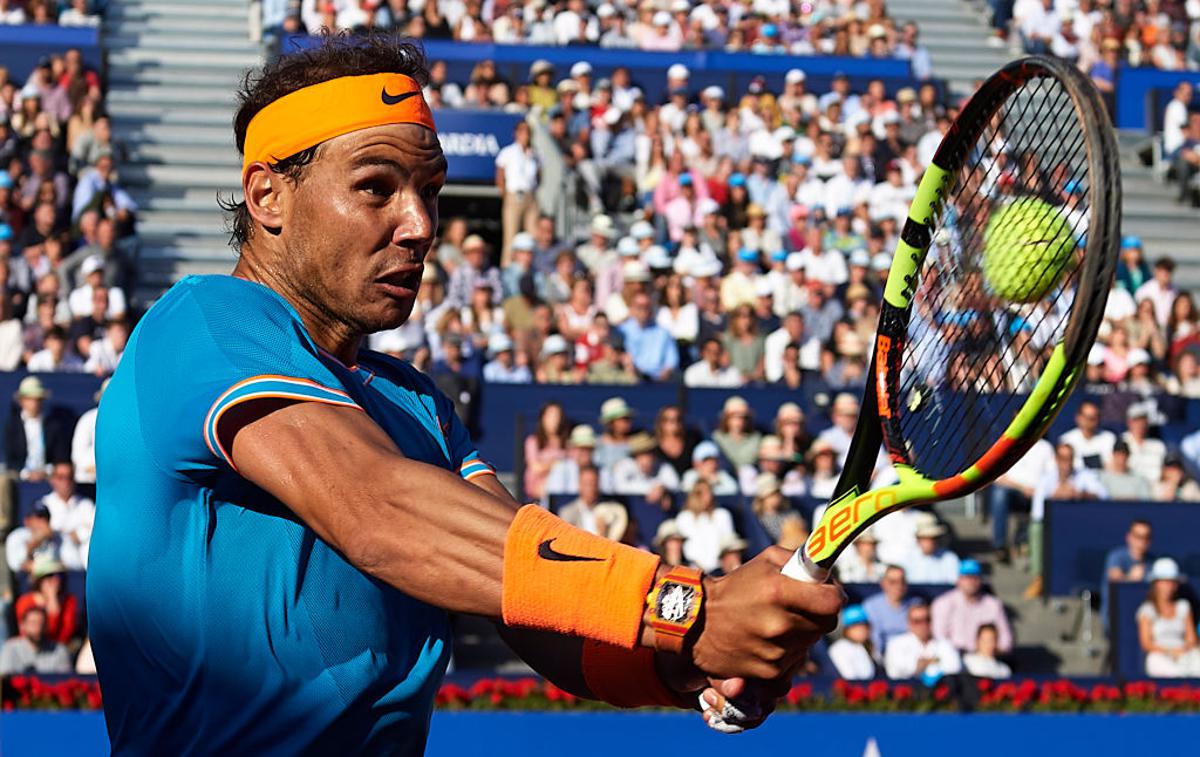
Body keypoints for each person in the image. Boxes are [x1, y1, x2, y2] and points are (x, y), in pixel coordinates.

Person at [88, 39, 842, 749]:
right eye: (376, 188)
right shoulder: (203, 324)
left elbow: (542, 616)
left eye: (429, 190)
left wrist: (685, 661)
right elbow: (380, 510)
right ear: (268, 196)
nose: (419, 225)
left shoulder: (416, 404)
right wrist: (688, 608)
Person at [986, 438, 1055, 561]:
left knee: (1044, 497)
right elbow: (998, 477)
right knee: (999, 493)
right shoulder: (1005, 444)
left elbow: (1052, 475)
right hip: (1013, 491)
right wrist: (1023, 488)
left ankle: (1027, 544)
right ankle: (1000, 546)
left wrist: (1038, 490)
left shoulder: (1045, 447)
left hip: (1037, 493)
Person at [930, 560, 1013, 655]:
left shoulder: (993, 604)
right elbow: (939, 636)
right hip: (955, 657)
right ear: (958, 580)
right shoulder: (943, 603)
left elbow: (1006, 639)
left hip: (985, 656)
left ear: (980, 580)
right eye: (967, 577)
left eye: (975, 577)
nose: (971, 581)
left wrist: (991, 649)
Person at [1137, 557, 1200, 677]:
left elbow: (1191, 638)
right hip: (1159, 657)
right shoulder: (1147, 610)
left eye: (1172, 582)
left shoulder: (1183, 607)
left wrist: (1183, 650)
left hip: (1184, 655)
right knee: (1155, 660)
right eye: (1164, 581)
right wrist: (1170, 651)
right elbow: (1146, 643)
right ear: (1156, 584)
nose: (1169, 586)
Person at [4, 376, 73, 482]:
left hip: (49, 477)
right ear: (22, 401)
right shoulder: (12, 426)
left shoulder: (53, 426)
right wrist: (25, 473)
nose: (35, 403)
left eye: (38, 399)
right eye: (30, 398)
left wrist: (46, 472)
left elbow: (60, 457)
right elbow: (9, 459)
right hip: (18, 477)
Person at [884, 602, 962, 681]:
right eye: (917, 621)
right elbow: (893, 672)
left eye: (927, 619)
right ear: (909, 624)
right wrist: (932, 661)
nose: (923, 624)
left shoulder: (945, 644)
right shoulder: (896, 643)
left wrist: (921, 664)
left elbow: (954, 668)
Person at [674, 479, 737, 573]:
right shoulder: (684, 518)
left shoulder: (722, 515)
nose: (708, 496)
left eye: (709, 491)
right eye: (701, 493)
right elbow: (687, 548)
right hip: (694, 569)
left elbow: (729, 542)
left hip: (720, 568)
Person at [40, 462, 95, 570]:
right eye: (61, 477)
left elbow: (95, 530)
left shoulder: (86, 504)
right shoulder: (43, 504)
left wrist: (78, 534)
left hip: (81, 559)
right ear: (52, 480)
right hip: (54, 560)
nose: (66, 482)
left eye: (69, 477)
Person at [15, 555, 79, 646]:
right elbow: (28, 636)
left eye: (59, 575)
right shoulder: (25, 602)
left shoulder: (69, 601)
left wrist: (54, 603)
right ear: (39, 581)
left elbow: (65, 636)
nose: (56, 580)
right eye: (49, 576)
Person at [1103, 519, 1156, 626]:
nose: (1142, 541)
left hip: (1146, 622)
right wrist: (1130, 579)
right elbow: (1114, 577)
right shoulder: (1116, 557)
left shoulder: (1153, 562)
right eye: (1138, 536)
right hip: (1117, 619)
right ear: (1129, 537)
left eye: (1146, 537)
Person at [557, 465, 628, 541]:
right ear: (579, 485)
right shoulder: (567, 513)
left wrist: (604, 533)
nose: (590, 488)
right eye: (586, 484)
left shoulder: (612, 510)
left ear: (598, 485)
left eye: (593, 483)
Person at [609, 431, 680, 505]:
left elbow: (675, 485)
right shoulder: (624, 465)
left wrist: (663, 488)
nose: (646, 458)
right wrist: (651, 489)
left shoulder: (664, 466)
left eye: (649, 453)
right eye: (641, 453)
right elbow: (618, 487)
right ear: (635, 455)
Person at [0, 605, 73, 675]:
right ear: (22, 626)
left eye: (41, 623)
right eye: (33, 623)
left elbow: (64, 682)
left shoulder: (59, 650)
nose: (38, 628)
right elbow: (4, 681)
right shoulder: (10, 648)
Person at [863, 565, 916, 654]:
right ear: (883, 584)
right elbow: (874, 638)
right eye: (893, 582)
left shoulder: (916, 604)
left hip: (911, 654)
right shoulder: (871, 606)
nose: (899, 585)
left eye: (902, 581)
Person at [523, 401, 569, 502]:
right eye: (550, 416)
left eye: (557, 416)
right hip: (536, 497)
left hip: (561, 493)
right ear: (542, 418)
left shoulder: (567, 443)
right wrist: (556, 464)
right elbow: (535, 467)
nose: (554, 420)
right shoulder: (533, 441)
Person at [4, 504, 62, 576]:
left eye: (46, 518)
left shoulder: (57, 537)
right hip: (27, 580)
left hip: (52, 577)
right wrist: (39, 539)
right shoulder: (17, 536)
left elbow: (67, 563)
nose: (43, 522)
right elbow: (17, 564)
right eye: (38, 518)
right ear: (27, 521)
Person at [902, 514, 960, 584]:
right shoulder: (908, 558)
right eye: (925, 538)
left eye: (932, 538)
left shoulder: (950, 558)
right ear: (918, 540)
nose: (929, 542)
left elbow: (953, 585)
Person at [1058, 400, 1115, 471]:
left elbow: (1112, 466)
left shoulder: (1109, 438)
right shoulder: (1067, 439)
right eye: (1086, 417)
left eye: (1093, 418)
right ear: (1078, 417)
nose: (1089, 422)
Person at [828, 605, 879, 681]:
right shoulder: (839, 648)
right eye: (856, 626)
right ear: (847, 630)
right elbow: (850, 678)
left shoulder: (870, 646)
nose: (861, 629)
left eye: (864, 625)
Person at [545, 424, 598, 497]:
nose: (585, 452)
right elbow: (554, 500)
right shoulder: (560, 469)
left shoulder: (601, 471)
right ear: (572, 449)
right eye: (581, 448)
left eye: (589, 449)